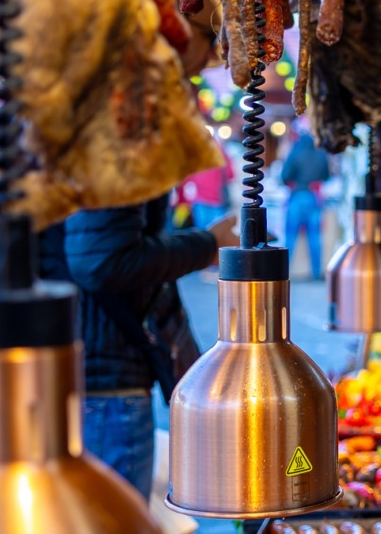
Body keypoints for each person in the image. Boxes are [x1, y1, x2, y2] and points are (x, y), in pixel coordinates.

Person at [63, 196, 238, 497]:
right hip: (105, 378)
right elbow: (103, 260)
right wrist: (207, 245)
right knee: (113, 523)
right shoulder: (121, 167)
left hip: (94, 373)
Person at [281, 125, 330, 280]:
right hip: (314, 196)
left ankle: (283, 272)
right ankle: (316, 272)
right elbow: (326, 175)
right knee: (315, 237)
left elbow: (284, 176)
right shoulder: (320, 154)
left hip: (297, 196)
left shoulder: (295, 152)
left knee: (290, 237)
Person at [181, 141, 235, 230]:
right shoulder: (220, 151)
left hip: (201, 200)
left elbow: (187, 177)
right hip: (218, 200)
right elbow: (230, 174)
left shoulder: (196, 153)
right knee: (219, 233)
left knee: (203, 233)